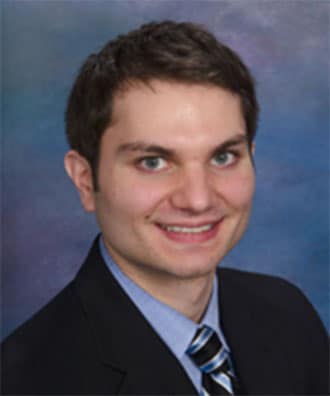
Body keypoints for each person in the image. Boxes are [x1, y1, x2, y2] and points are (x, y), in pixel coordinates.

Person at [1, 21, 328, 396]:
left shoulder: (288, 317)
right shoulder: (27, 380)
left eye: (223, 156)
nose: (198, 199)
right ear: (85, 180)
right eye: (153, 162)